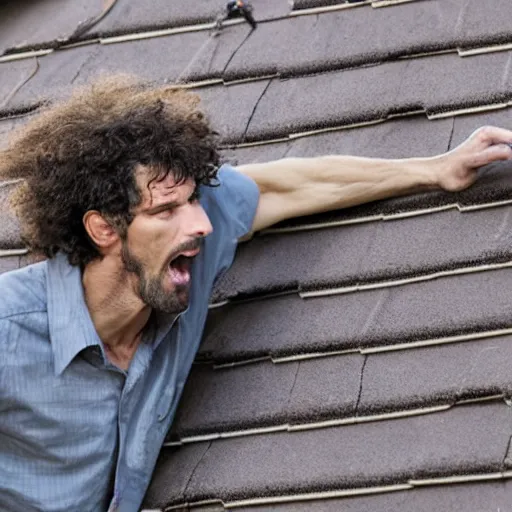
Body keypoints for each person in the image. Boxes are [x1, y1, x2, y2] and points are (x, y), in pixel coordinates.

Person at [0, 75, 511, 512]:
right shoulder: (9, 333)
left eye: (194, 200)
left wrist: (433, 170)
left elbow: (282, 187)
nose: (201, 223)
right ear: (104, 230)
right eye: (165, 212)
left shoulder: (180, 255)